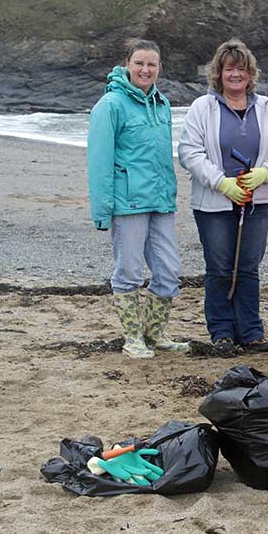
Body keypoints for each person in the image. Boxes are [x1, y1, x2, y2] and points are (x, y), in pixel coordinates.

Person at [178, 39, 268, 353]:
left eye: (241, 69)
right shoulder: (202, 107)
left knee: (248, 267)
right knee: (219, 267)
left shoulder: (267, 109)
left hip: (256, 202)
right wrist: (222, 183)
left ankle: (251, 332)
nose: (235, 75)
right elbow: (189, 152)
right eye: (230, 69)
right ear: (219, 73)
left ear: (250, 73)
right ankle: (222, 331)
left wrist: (265, 173)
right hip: (213, 203)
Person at [87, 38, 189, 359]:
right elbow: (99, 161)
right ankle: (133, 338)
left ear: (159, 68)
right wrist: (102, 210)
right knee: (129, 271)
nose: (146, 70)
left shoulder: (163, 104)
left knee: (169, 271)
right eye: (140, 63)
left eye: (152, 64)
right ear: (127, 65)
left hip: (161, 201)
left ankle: (155, 333)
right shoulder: (111, 105)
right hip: (127, 203)